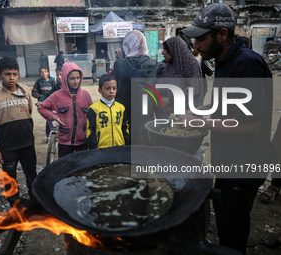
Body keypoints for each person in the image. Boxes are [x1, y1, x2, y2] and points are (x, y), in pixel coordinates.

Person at [179, 3, 278, 254]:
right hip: (229, 160)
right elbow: (226, 102)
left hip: (244, 164)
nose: (196, 46)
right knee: (224, 220)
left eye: (201, 39)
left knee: (232, 231)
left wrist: (201, 122)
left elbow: (251, 124)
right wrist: (199, 111)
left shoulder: (247, 65)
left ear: (222, 35)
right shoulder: (224, 60)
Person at [0, 56, 37, 207]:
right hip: (7, 146)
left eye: (15, 74)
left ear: (19, 74)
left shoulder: (25, 90)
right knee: (10, 178)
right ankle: (15, 206)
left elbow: (29, 111)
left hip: (27, 143)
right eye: (7, 74)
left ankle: (36, 203)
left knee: (32, 175)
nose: (11, 77)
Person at [38, 63, 92, 158]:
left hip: (82, 141)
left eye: (78, 78)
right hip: (65, 143)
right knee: (65, 168)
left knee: (82, 169)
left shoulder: (86, 95)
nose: (76, 81)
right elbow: (41, 107)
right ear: (65, 79)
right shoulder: (57, 96)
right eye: (72, 78)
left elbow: (92, 115)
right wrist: (54, 117)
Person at [113, 30, 157, 144]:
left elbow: (117, 87)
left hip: (125, 112)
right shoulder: (153, 63)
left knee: (126, 142)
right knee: (144, 141)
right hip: (146, 111)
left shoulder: (120, 64)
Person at [157, 36, 203, 119]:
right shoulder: (169, 66)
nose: (162, 52)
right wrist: (163, 103)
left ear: (173, 50)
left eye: (165, 50)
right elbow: (162, 84)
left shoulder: (191, 64)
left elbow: (193, 89)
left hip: (188, 113)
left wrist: (169, 100)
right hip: (171, 111)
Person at [86, 74, 130, 149]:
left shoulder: (121, 108)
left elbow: (125, 128)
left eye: (114, 88)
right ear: (100, 90)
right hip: (101, 149)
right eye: (107, 88)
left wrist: (126, 144)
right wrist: (93, 148)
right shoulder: (93, 109)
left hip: (119, 147)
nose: (111, 91)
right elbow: (90, 131)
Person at [32, 67, 56, 139]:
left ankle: (49, 134)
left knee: (49, 117)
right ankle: (50, 134)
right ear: (40, 74)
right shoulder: (38, 82)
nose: (44, 74)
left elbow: (56, 91)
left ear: (48, 73)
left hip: (51, 102)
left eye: (45, 72)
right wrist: (42, 97)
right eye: (42, 72)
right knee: (48, 117)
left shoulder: (52, 81)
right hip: (42, 103)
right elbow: (33, 93)